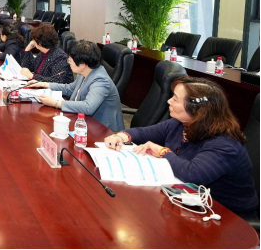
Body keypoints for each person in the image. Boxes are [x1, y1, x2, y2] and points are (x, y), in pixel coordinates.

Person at [104, 77, 258, 219]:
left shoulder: (224, 143)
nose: (169, 101)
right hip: (189, 199)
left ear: (196, 109)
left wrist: (163, 152)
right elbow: (142, 133)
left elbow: (192, 174)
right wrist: (121, 137)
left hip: (227, 216)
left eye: (175, 99)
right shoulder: (180, 124)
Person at [30, 40, 124, 131]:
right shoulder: (84, 72)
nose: (68, 63)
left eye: (70, 60)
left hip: (103, 130)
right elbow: (70, 88)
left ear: (82, 64)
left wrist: (56, 103)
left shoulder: (101, 81)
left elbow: (88, 107)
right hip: (84, 122)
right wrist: (45, 84)